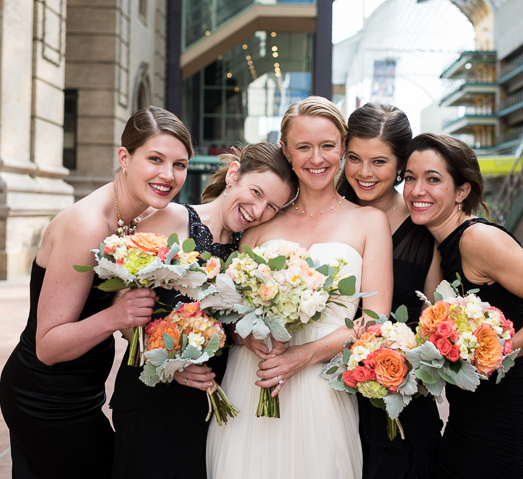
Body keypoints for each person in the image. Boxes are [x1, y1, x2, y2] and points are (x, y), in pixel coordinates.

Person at [0, 107, 194, 478]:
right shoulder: (87, 224)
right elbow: (49, 345)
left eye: (180, 164)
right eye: (155, 159)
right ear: (124, 157)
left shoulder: (136, 220)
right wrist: (117, 316)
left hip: (83, 390)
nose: (168, 175)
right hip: (45, 395)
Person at [206, 96, 394, 479]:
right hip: (253, 377)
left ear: (343, 148)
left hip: (320, 385)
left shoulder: (369, 222)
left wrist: (301, 356)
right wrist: (246, 339)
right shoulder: (259, 225)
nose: (316, 158)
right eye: (303, 147)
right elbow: (228, 309)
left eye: (327, 146)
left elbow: (374, 321)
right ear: (285, 150)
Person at [402, 133, 523, 479]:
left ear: (462, 191)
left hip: (506, 431)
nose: (416, 190)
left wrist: (494, 354)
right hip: (466, 428)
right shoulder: (439, 245)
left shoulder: (477, 239)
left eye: (433, 179)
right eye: (410, 177)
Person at [109, 142, 297, 479]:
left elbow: (232, 325)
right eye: (255, 192)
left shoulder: (250, 248)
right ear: (234, 175)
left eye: (272, 206)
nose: (257, 210)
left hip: (209, 406)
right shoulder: (169, 218)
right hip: (151, 397)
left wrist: (247, 338)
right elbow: (124, 312)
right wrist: (172, 365)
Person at [336, 103, 443, 479]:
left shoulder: (424, 227)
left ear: (401, 165)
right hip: (327, 395)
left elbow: (435, 318)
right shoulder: (325, 214)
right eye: (354, 158)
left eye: (379, 162)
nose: (364, 173)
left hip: (396, 397)